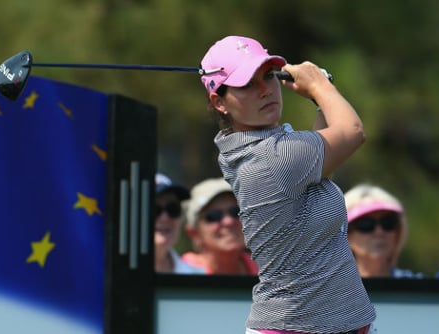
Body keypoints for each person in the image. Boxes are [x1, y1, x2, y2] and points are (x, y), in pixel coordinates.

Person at [200, 35, 376, 333]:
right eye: (247, 84)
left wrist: (319, 96)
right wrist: (320, 85)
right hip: (299, 327)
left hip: (330, 324)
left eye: (268, 76)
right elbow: (352, 131)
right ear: (219, 102)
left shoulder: (253, 149)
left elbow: (321, 170)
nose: (265, 90)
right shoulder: (274, 157)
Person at [181, 177, 258, 275]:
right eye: (214, 216)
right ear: (194, 233)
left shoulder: (268, 271)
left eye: (237, 212)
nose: (228, 221)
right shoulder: (181, 270)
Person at [344, 183, 424, 278]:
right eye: (366, 224)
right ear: (346, 234)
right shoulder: (331, 290)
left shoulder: (419, 286)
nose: (379, 232)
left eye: (388, 223)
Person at [153, 173, 205, 274]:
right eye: (154, 210)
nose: (165, 218)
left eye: (173, 209)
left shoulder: (196, 277)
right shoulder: (115, 276)